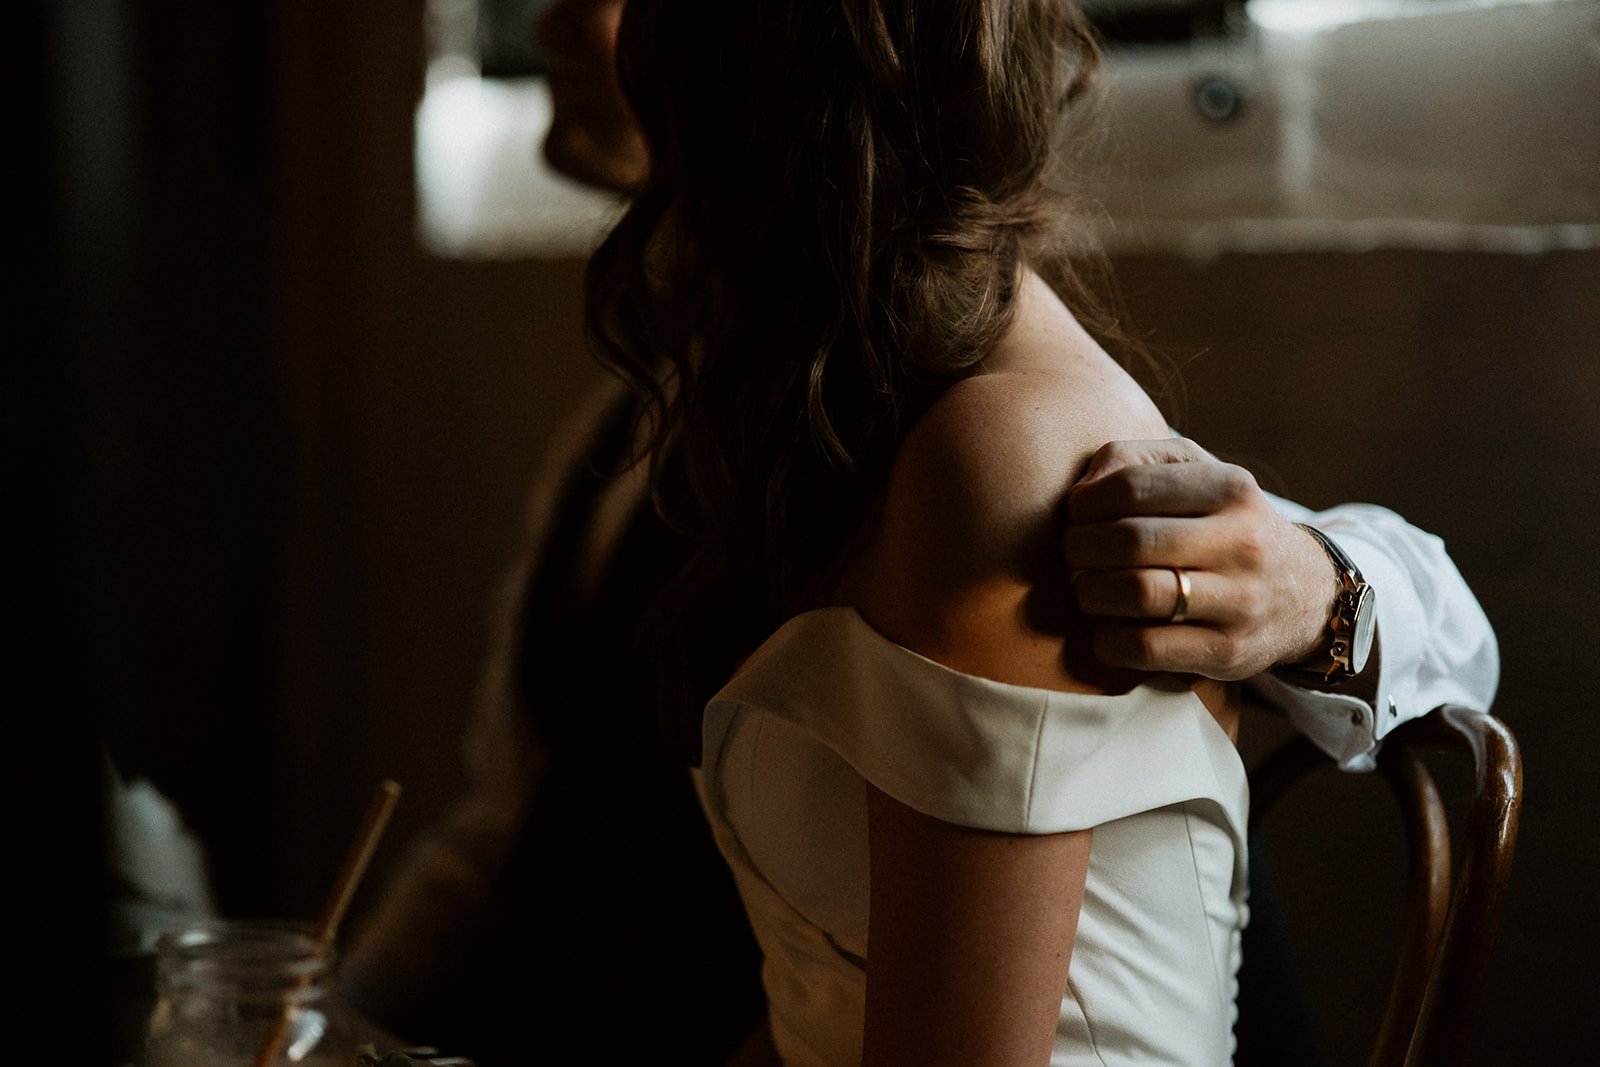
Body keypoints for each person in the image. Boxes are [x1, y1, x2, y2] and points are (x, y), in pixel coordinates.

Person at [342, 1, 1497, 1063]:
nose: (548, 18)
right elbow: (512, 829)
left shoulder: (997, 446)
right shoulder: (742, 419)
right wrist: (325, 1015)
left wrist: (1325, 591)